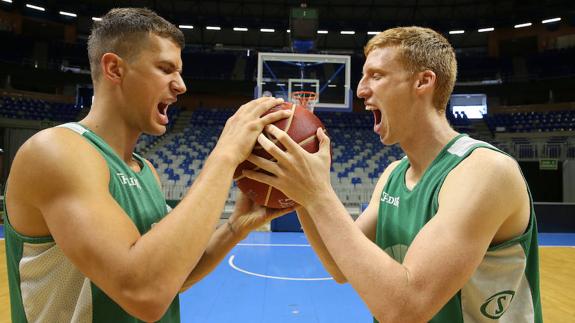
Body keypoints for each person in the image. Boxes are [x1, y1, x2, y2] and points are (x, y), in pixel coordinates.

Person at [3, 8, 292, 323]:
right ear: (114, 69)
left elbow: (169, 276)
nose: (180, 85)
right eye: (166, 69)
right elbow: (143, 292)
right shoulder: (55, 151)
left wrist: (236, 227)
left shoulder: (146, 170)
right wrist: (224, 156)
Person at [243, 26, 542, 322]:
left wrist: (317, 194)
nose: (360, 90)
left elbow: (405, 309)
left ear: (423, 82)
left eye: (376, 75)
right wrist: (298, 192)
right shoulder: (392, 175)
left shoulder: (484, 171)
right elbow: (339, 265)